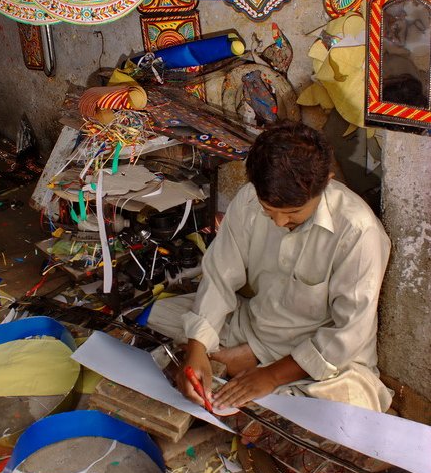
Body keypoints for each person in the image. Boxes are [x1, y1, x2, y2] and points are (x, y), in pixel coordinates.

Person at [147, 121, 393, 413]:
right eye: (269, 211)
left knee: (352, 404)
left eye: (292, 213)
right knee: (161, 316)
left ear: (326, 182)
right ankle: (241, 361)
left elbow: (348, 336)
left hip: (316, 352)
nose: (278, 222)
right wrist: (197, 350)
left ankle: (250, 368)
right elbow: (219, 278)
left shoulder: (358, 232)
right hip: (255, 327)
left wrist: (271, 375)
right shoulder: (249, 200)